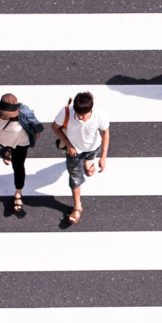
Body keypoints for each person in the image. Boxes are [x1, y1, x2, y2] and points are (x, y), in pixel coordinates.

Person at [0, 94, 44, 213]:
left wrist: (36, 134)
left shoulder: (23, 111)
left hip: (21, 143)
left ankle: (18, 191)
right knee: (6, 146)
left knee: (18, 166)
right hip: (3, 140)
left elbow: (36, 124)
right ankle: (8, 150)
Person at [51, 91, 110, 224]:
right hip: (74, 151)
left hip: (93, 147)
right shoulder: (67, 112)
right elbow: (54, 127)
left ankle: (88, 163)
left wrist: (103, 157)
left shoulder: (99, 114)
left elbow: (105, 132)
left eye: (83, 116)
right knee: (75, 177)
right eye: (77, 115)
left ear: (91, 110)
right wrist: (69, 145)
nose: (80, 118)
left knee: (89, 160)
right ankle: (77, 206)